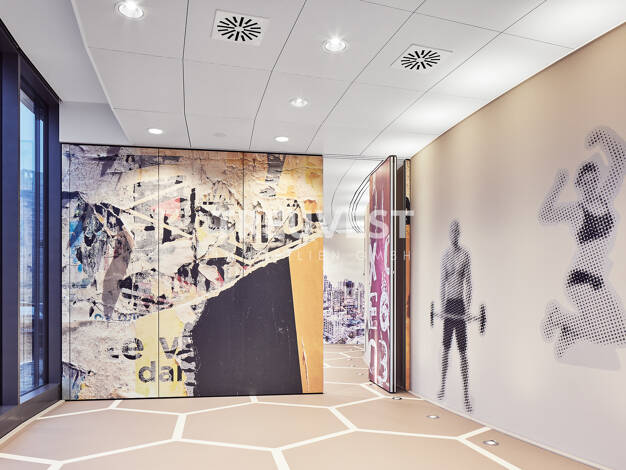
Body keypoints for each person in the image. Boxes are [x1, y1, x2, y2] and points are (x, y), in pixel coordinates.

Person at [539, 126, 626, 359]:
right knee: (605, 331)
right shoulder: (577, 211)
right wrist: (557, 187)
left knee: (622, 334)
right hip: (580, 279)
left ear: (597, 181)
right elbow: (545, 215)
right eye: (584, 184)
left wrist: (603, 138)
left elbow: (620, 160)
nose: (589, 187)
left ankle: (570, 328)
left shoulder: (605, 198)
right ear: (579, 186)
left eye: (593, 181)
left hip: (599, 282)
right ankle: (557, 316)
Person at [438, 220, 473, 413]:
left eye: (456, 231)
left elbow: (469, 284)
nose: (453, 233)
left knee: (462, 351)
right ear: (449, 233)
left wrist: (467, 309)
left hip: (459, 305)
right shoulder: (445, 256)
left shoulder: (465, 255)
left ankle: (466, 394)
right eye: (451, 230)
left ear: (459, 233)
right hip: (448, 305)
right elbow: (442, 284)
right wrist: (442, 307)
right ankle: (442, 386)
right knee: (445, 349)